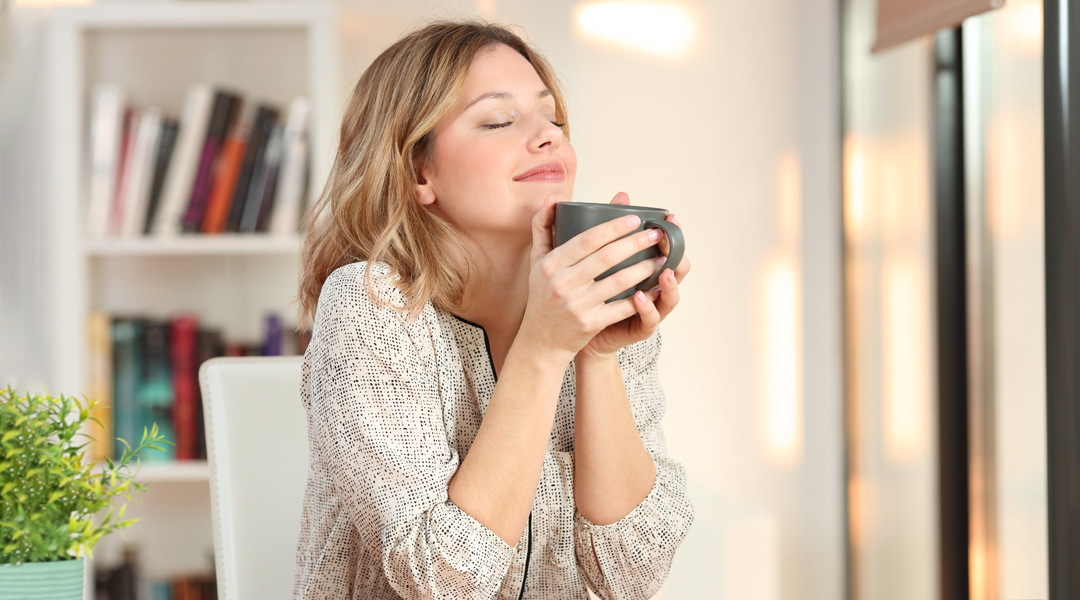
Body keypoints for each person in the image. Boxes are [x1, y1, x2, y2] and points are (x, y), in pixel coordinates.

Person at [292, 20, 694, 600]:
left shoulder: (598, 306)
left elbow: (632, 578)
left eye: (553, 118)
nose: (547, 137)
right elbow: (442, 582)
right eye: (499, 121)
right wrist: (543, 348)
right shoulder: (370, 306)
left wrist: (597, 356)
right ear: (418, 172)